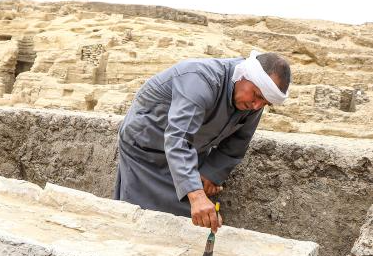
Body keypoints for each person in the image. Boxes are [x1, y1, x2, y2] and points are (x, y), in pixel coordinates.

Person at [114, 51, 290, 231]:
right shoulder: (201, 80)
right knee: (139, 221)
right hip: (145, 151)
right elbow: (178, 138)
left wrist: (211, 173)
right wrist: (197, 196)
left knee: (187, 224)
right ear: (244, 76)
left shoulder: (252, 103)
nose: (257, 106)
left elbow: (237, 143)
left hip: (189, 154)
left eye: (265, 103)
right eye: (257, 95)